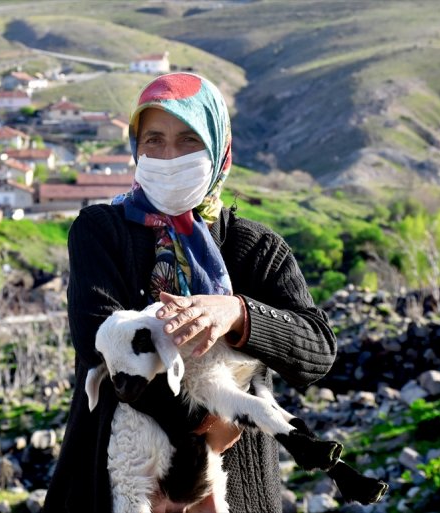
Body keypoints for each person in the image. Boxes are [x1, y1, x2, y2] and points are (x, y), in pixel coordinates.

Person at [42, 72, 337, 513]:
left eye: (188, 141)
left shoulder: (257, 248)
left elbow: (317, 349)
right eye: (154, 140)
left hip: (238, 489)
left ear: (219, 148)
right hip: (119, 483)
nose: (169, 156)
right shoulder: (100, 231)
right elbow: (97, 340)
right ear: (136, 147)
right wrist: (209, 426)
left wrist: (237, 314)